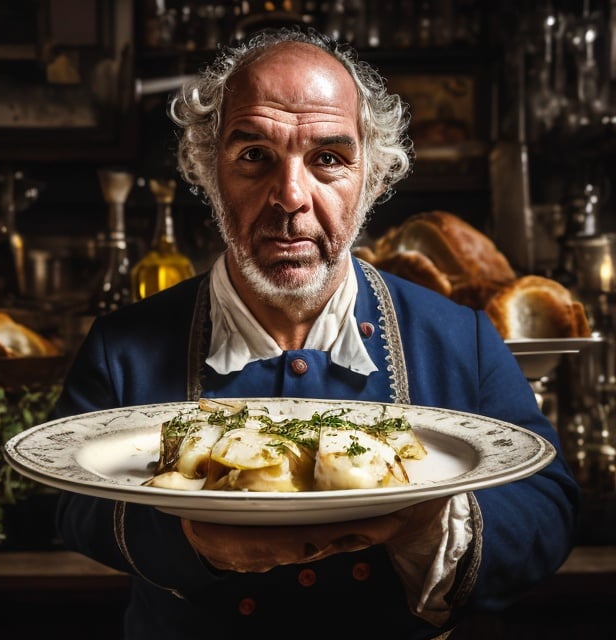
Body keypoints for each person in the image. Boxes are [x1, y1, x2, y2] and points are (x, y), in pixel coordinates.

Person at [53, 27, 580, 640]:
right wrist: (187, 539)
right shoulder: (121, 346)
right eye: (254, 156)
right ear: (207, 169)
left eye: (328, 158)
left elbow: (549, 508)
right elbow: (66, 500)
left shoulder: (463, 339)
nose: (291, 196)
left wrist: (425, 526)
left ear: (373, 177)